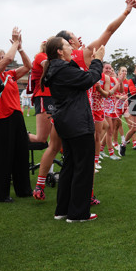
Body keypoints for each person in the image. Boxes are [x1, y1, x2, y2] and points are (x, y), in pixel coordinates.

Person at [32, 0, 133, 200]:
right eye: (72, 38)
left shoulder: (60, 62)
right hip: (78, 115)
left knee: (56, 148)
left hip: (62, 113)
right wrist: (126, 13)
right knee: (85, 155)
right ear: (66, 45)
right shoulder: (80, 55)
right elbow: (109, 31)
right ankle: (88, 195)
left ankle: (40, 186)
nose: (78, 38)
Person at [42, 37, 105, 222]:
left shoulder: (58, 69)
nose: (72, 48)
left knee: (69, 166)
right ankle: (78, 213)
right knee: (83, 168)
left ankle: (63, 210)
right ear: (60, 51)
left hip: (67, 123)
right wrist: (98, 60)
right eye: (68, 46)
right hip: (77, 123)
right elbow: (89, 79)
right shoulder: (62, 69)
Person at [0, 27, 33, 202]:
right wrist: (14, 43)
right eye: (1, 56)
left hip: (16, 116)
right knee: (3, 157)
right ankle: (2, 194)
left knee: (21, 154)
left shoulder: (10, 74)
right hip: (1, 119)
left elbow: (29, 66)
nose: (5, 59)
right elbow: (9, 59)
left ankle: (23, 189)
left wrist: (20, 48)